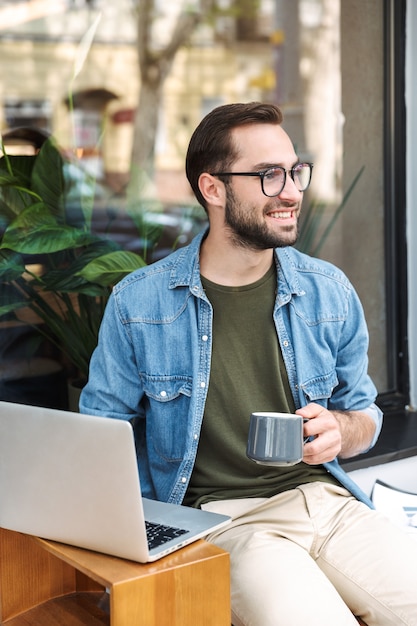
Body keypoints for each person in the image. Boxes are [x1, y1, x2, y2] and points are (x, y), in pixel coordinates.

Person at [80, 102, 417, 626]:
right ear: (213, 189)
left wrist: (340, 432)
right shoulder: (139, 304)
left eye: (294, 171)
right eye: (267, 175)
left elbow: (364, 414)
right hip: (226, 523)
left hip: (327, 504)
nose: (291, 191)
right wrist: (153, 542)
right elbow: (102, 439)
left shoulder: (328, 290)